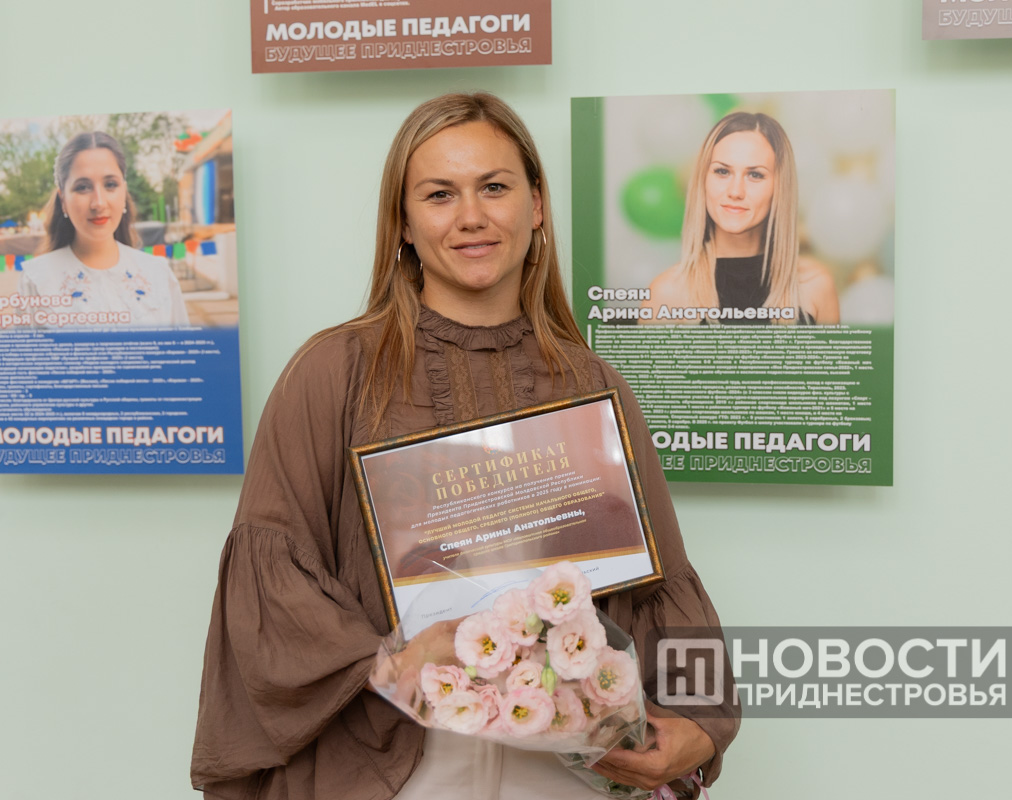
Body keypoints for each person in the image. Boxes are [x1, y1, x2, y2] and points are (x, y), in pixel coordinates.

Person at [191, 93, 738, 800]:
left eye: (495, 187)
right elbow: (271, 588)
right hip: (397, 769)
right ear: (403, 222)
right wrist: (394, 662)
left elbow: (663, 588)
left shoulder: (593, 383)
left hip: (568, 772)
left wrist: (702, 723)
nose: (471, 216)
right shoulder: (333, 373)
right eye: (440, 194)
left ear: (536, 206)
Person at [643, 112, 838, 325]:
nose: (735, 191)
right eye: (722, 171)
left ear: (780, 188)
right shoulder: (667, 293)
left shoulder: (815, 285)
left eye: (755, 175)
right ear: (703, 180)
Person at [18, 131, 189, 327]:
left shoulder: (159, 274)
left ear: (124, 192)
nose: (99, 203)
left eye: (110, 184)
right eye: (83, 187)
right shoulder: (36, 280)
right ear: (63, 200)